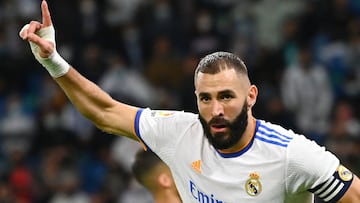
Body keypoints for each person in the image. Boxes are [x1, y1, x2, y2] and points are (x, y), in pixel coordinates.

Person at [19, 1, 360, 202]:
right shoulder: (179, 133)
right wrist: (53, 62)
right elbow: (105, 112)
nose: (216, 110)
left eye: (227, 96)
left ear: (251, 96)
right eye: (206, 98)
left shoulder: (291, 155)